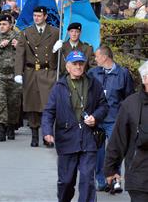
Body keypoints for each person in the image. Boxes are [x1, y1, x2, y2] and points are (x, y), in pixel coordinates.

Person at [42, 51, 108, 202]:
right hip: (66, 139)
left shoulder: (94, 83)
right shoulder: (59, 87)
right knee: (66, 181)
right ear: (68, 66)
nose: (78, 67)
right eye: (75, 64)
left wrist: (95, 117)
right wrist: (47, 132)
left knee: (87, 180)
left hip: (89, 138)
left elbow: (104, 105)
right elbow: (49, 111)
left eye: (81, 64)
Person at [88, 45, 135, 191]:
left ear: (104, 57)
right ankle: (101, 181)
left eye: (97, 56)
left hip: (115, 118)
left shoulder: (123, 74)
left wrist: (127, 118)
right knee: (98, 151)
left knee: (115, 150)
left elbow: (129, 97)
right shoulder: (92, 73)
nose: (95, 59)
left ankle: (115, 180)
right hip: (97, 118)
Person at [15, 6, 60, 148]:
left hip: (48, 72)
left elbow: (60, 56)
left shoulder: (55, 32)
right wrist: (18, 73)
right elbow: (19, 54)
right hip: (31, 72)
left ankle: (47, 135)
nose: (36, 18)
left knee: (47, 106)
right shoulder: (26, 32)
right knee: (32, 105)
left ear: (45, 16)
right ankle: (34, 135)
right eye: (34, 15)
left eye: (39, 16)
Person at [104, 61, 148, 201]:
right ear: (145, 79)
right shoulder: (130, 104)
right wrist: (111, 170)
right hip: (139, 178)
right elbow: (118, 139)